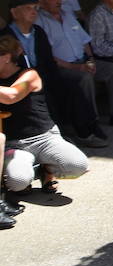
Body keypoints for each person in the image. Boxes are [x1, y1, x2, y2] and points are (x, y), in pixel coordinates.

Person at [6, 0, 106, 148]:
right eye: (28, 8)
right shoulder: (6, 36)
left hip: (43, 76)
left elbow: (48, 61)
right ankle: (60, 136)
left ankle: (86, 130)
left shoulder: (38, 32)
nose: (33, 12)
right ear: (14, 12)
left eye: (35, 8)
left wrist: (53, 79)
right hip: (18, 81)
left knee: (75, 83)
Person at [35, 0, 113, 129]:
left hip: (83, 61)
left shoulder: (67, 14)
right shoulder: (39, 22)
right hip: (62, 67)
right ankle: (91, 122)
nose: (59, 1)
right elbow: (47, 56)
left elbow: (84, 41)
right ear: (41, 2)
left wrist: (91, 60)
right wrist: (75, 67)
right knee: (84, 77)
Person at [0, 35, 88, 197]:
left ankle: (46, 168)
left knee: (78, 166)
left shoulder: (30, 75)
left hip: (44, 137)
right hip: (14, 144)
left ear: (6, 57)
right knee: (18, 183)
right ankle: (30, 170)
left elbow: (12, 95)